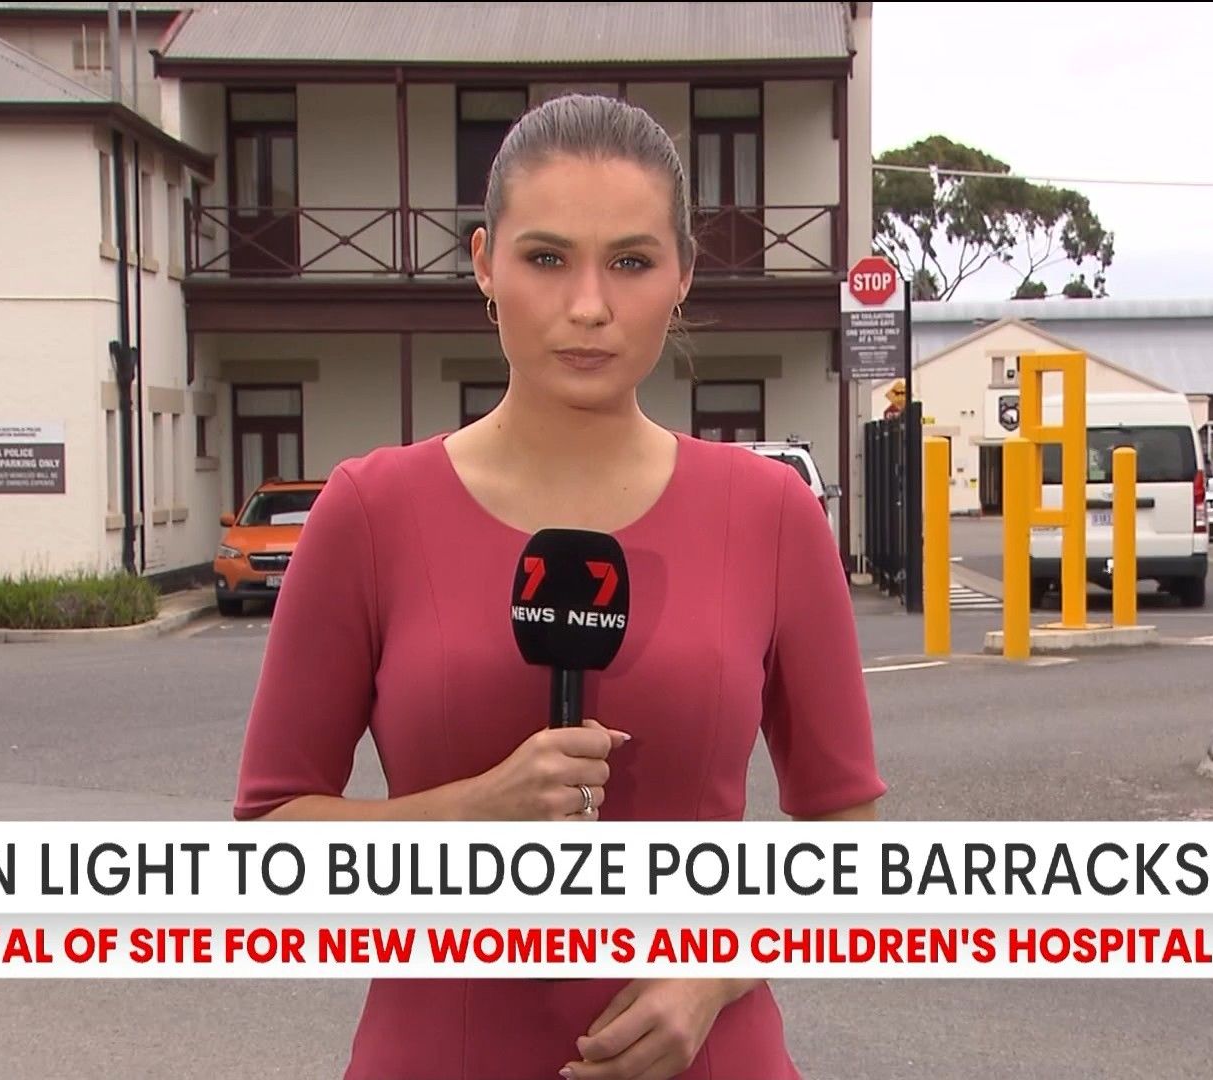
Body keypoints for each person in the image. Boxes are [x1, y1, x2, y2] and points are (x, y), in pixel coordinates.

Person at [233, 93, 887, 1080]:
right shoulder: (369, 512)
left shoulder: (772, 515)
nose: (588, 306)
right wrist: (471, 812)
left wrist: (714, 972)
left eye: (630, 262)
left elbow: (847, 840)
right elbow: (269, 843)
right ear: (484, 263)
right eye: (546, 259)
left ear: (683, 273)